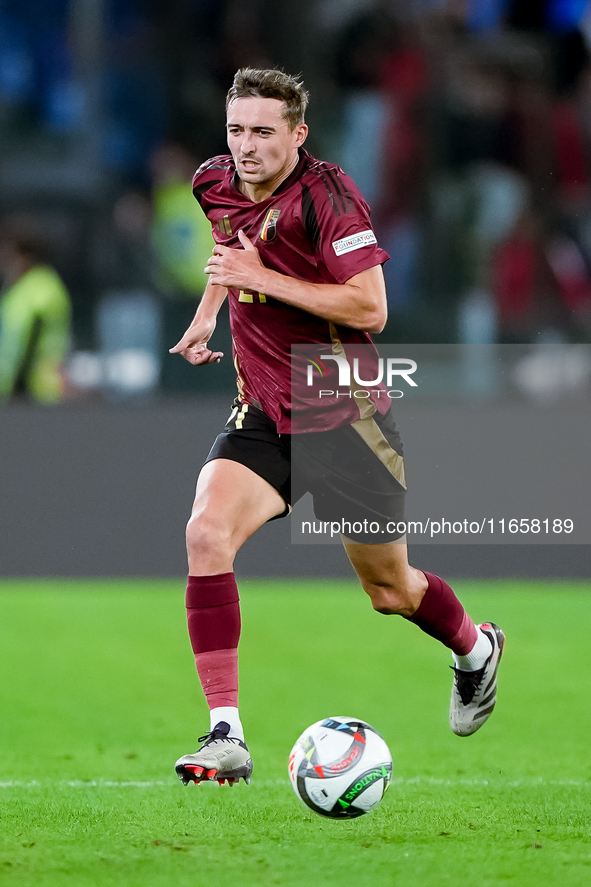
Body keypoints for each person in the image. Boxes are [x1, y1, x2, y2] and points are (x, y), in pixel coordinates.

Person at [170, 68, 505, 787]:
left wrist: (264, 280)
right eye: (236, 130)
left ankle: (474, 648)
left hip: (345, 414)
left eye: (263, 131)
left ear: (298, 133)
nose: (245, 146)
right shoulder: (213, 181)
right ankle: (225, 733)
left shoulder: (328, 197)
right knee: (205, 532)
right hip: (262, 409)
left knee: (388, 589)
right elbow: (231, 249)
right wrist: (206, 316)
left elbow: (369, 308)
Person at [0, 217, 71, 404]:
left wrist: (17, 387)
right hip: (17, 392)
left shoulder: (41, 290)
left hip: (34, 394)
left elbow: (29, 344)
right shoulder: (20, 288)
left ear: (23, 255)